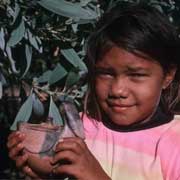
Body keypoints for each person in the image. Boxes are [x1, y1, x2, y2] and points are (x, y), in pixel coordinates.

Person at [7, 2, 180, 180]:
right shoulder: (81, 129)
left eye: (136, 75)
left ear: (168, 76)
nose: (118, 90)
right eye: (105, 73)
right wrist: (42, 171)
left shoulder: (174, 143)